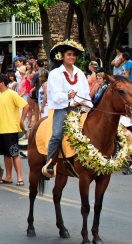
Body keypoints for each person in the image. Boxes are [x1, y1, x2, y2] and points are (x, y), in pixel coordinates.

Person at [42, 40, 93, 178]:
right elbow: (55, 95)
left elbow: (85, 92)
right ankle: (50, 163)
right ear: (63, 56)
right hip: (62, 108)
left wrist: (79, 101)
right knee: (57, 134)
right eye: (69, 54)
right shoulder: (55, 73)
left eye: (74, 55)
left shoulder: (80, 73)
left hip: (79, 107)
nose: (72, 57)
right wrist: (68, 96)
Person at [0, 74, 29, 185]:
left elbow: (26, 106)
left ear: (1, 83)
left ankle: (20, 177)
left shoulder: (12, 94)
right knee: (6, 154)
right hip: (1, 129)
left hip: (10, 129)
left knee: (14, 154)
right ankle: (8, 176)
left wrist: (22, 120)